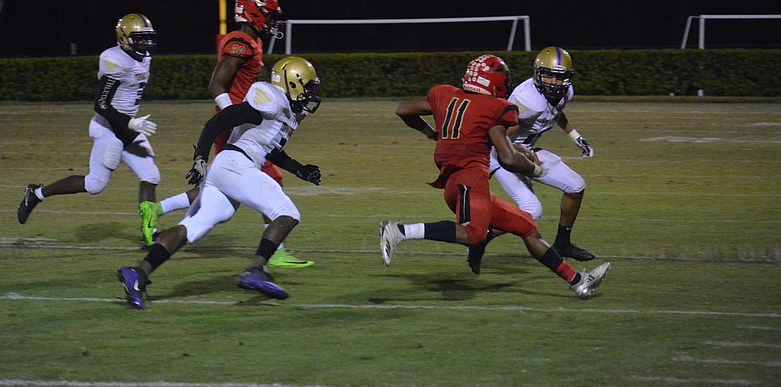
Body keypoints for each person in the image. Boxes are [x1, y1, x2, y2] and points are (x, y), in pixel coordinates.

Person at [380, 54, 610, 299]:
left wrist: (431, 133)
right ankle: (400, 231)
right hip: (470, 181)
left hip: (459, 183)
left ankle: (578, 282)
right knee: (473, 234)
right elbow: (508, 158)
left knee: (526, 225)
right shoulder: (494, 108)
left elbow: (403, 110)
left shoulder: (445, 95)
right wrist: (535, 170)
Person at [117, 57, 323, 309]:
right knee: (287, 213)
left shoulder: (286, 111)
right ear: (291, 82)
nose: (310, 93)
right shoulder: (271, 100)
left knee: (192, 227)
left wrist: (301, 170)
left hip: (230, 167)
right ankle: (256, 269)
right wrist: (200, 158)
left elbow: (269, 149)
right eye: (307, 86)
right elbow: (220, 121)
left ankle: (138, 273)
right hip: (236, 164)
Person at [139, 0, 314, 268]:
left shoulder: (253, 41)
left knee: (220, 189)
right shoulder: (241, 42)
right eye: (269, 16)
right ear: (254, 14)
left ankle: (158, 213)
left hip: (245, 119)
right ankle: (273, 252)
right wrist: (232, 115)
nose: (273, 22)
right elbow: (216, 84)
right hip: (238, 122)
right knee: (258, 181)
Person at [17, 14, 160, 240]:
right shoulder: (116, 60)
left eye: (147, 38)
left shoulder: (143, 59)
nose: (146, 44)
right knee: (95, 184)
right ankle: (36, 194)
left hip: (128, 129)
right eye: (140, 39)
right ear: (124, 38)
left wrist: (130, 123)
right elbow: (101, 104)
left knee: (150, 176)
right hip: (109, 128)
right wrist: (130, 121)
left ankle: (149, 232)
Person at [487, 46, 596, 261]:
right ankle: (480, 237)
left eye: (560, 77)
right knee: (532, 211)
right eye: (549, 76)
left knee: (576, 187)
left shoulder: (565, 92)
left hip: (527, 152)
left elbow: (555, 112)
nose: (554, 83)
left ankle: (563, 244)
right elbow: (497, 134)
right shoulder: (527, 101)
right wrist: (519, 151)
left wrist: (575, 136)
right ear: (538, 73)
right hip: (503, 155)